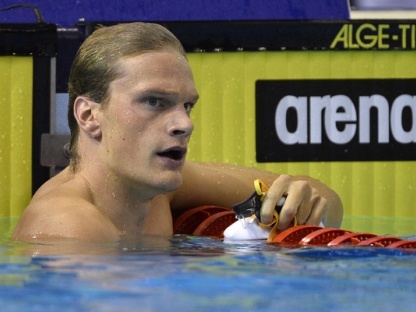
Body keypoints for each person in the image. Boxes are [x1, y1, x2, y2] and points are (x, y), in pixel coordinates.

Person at [12, 22, 343, 242]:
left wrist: (295, 202)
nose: (185, 124)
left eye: (187, 106)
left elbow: (328, 201)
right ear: (89, 116)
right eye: (154, 101)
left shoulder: (157, 189)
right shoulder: (69, 227)